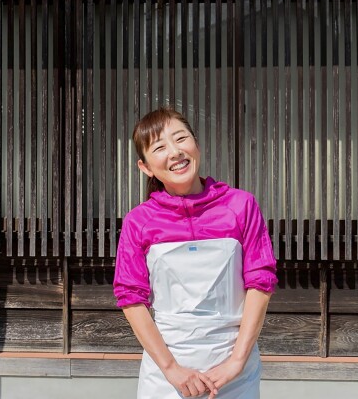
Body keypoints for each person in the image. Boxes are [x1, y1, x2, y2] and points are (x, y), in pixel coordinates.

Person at [113, 107, 278, 399]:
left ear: (196, 144)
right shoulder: (138, 221)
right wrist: (171, 369)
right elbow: (130, 298)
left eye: (181, 138)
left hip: (234, 370)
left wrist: (236, 363)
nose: (175, 152)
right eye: (160, 147)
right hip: (167, 372)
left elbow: (260, 282)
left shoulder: (241, 206)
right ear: (146, 167)